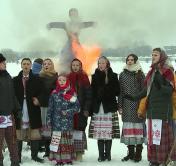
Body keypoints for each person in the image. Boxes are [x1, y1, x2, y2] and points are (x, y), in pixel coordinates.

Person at [125, 48, 176, 166]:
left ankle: (164, 159)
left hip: (163, 111)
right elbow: (146, 91)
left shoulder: (167, 71)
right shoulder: (152, 72)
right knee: (152, 138)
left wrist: (160, 85)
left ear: (162, 57)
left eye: (156, 55)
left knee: (161, 138)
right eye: (152, 55)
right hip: (151, 110)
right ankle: (154, 159)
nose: (153, 57)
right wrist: (134, 97)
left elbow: (169, 91)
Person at [89, 56, 120, 162]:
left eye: (103, 63)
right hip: (98, 107)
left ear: (107, 64)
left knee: (108, 132)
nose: (101, 65)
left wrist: (106, 90)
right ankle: (101, 155)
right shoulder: (94, 76)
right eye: (99, 63)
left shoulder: (114, 76)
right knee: (99, 132)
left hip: (109, 107)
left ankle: (108, 154)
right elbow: (92, 93)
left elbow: (117, 91)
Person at [13, 58, 44, 163]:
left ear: (31, 66)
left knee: (34, 132)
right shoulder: (15, 80)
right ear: (21, 65)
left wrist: (38, 99)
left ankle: (34, 156)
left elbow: (42, 92)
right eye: (24, 64)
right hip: (19, 108)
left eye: (28, 64)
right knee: (18, 134)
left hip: (32, 107)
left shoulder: (37, 79)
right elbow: (12, 95)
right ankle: (18, 157)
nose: (26, 66)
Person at [47, 74, 80, 166]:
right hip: (56, 122)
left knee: (66, 141)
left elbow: (77, 107)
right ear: (57, 82)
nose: (61, 82)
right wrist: (48, 120)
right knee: (57, 141)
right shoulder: (54, 93)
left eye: (63, 80)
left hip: (67, 122)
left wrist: (68, 112)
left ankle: (68, 159)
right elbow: (50, 108)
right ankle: (58, 160)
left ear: (67, 82)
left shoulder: (72, 93)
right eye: (59, 80)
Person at [118, 54, 146, 162]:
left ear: (136, 61)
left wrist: (142, 107)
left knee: (138, 130)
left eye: (132, 60)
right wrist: (120, 106)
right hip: (126, 105)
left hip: (138, 105)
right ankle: (130, 153)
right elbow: (120, 92)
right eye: (128, 60)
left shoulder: (140, 74)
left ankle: (138, 153)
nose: (130, 62)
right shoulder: (122, 74)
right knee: (129, 131)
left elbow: (144, 92)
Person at [68, 58, 91, 161]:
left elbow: (89, 95)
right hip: (70, 110)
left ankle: (79, 153)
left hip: (81, 110)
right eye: (73, 65)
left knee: (80, 130)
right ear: (71, 66)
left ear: (80, 66)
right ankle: (70, 152)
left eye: (77, 65)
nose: (75, 67)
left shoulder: (85, 78)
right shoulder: (67, 78)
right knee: (70, 130)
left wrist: (86, 109)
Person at [0, 53, 20, 166]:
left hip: (9, 115)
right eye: (3, 62)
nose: (5, 64)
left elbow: (13, 95)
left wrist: (18, 109)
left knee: (12, 140)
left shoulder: (7, 76)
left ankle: (15, 162)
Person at [37, 58, 58, 157]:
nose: (46, 65)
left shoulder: (56, 77)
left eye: (49, 64)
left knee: (53, 128)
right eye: (45, 64)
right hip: (42, 106)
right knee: (45, 128)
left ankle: (54, 150)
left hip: (53, 106)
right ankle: (47, 150)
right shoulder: (39, 77)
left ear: (52, 66)